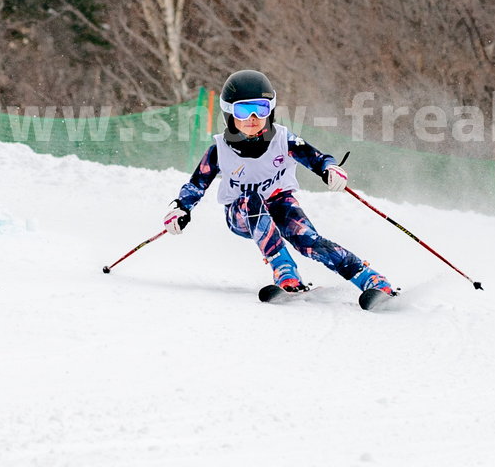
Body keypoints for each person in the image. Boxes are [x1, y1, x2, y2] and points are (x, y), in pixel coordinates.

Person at [164, 69, 397, 306]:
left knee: (308, 240)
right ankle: (284, 270)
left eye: (261, 109)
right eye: (243, 110)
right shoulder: (220, 150)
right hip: (240, 213)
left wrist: (330, 169)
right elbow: (196, 184)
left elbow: (317, 158)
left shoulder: (283, 140)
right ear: (229, 114)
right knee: (250, 198)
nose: (253, 117)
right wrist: (181, 208)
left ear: (271, 110)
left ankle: (370, 279)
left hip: (278, 203)